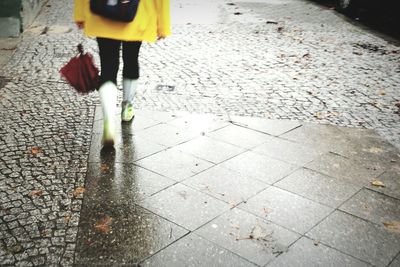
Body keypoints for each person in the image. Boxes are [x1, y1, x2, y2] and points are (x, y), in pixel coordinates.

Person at [73, 0, 171, 148]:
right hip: (138, 14)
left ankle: (109, 124)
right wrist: (163, 24)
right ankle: (127, 107)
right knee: (131, 59)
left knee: (108, 67)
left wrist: (80, 13)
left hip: (103, 13)